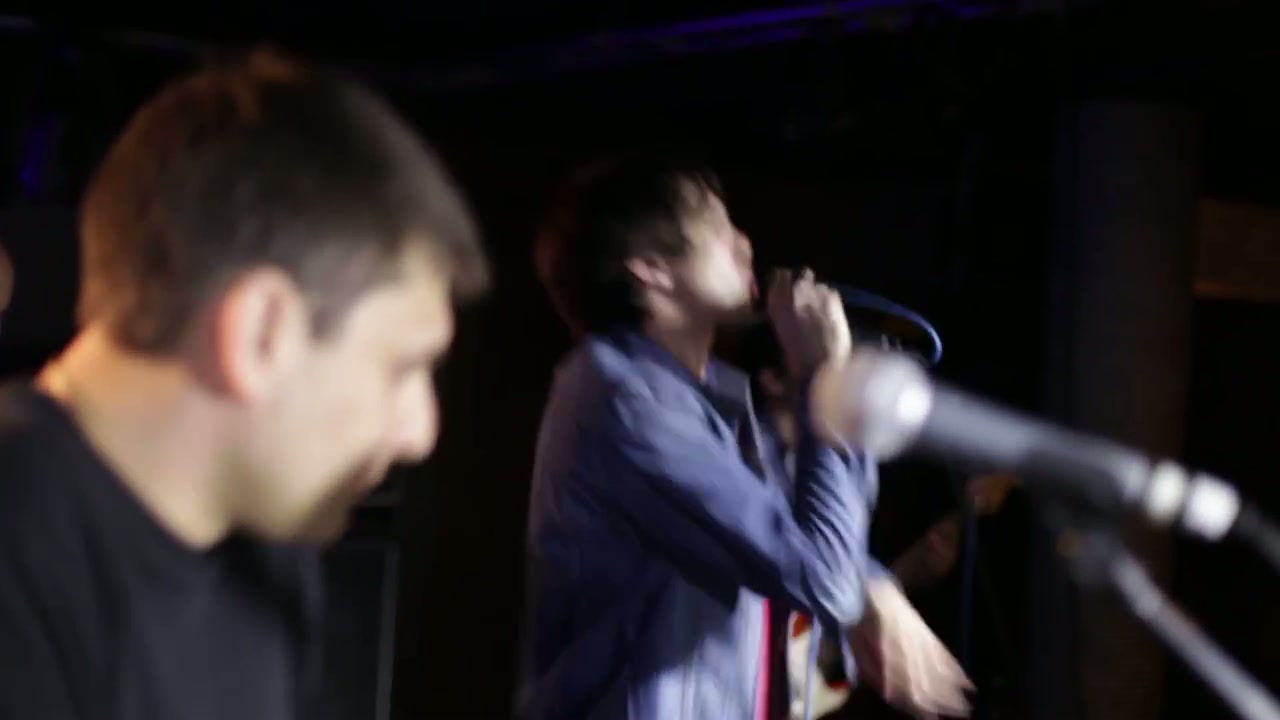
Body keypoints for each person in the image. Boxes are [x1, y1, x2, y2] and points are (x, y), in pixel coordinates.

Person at [0, 49, 489, 720]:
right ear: (261, 332)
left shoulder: (267, 539)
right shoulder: (21, 563)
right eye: (402, 368)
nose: (420, 433)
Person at [518, 157, 966, 720]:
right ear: (652, 269)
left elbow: (795, 536)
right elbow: (823, 577)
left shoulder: (708, 395)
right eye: (718, 226)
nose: (744, 242)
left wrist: (876, 584)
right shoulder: (623, 400)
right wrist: (820, 375)